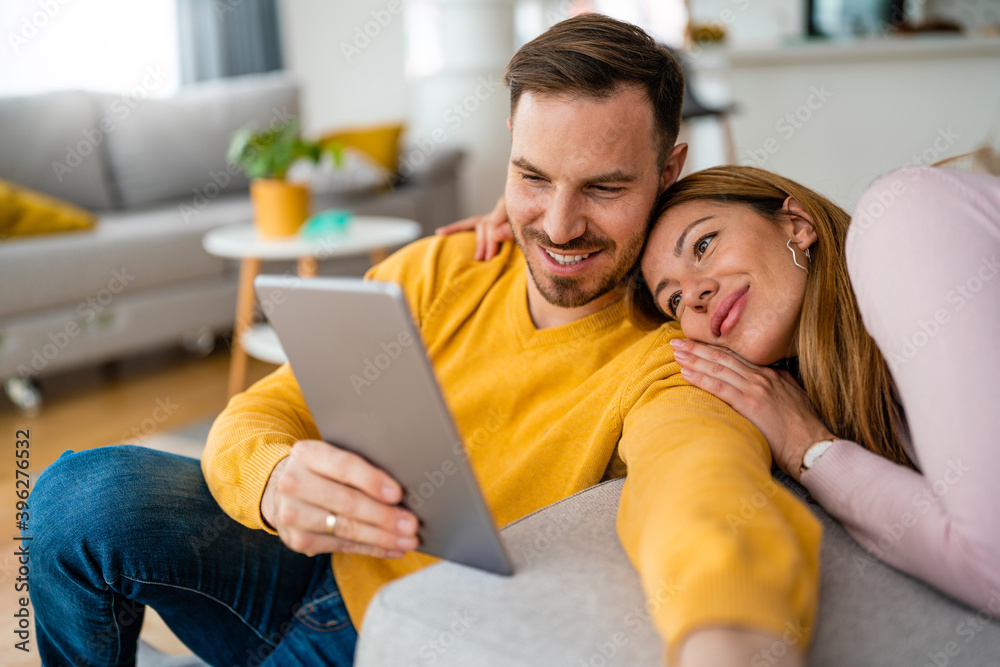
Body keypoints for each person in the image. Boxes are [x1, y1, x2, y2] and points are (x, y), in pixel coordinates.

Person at [29, 16, 821, 667]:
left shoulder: (670, 353)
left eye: (605, 187)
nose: (558, 224)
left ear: (669, 167)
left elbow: (703, 490)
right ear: (509, 147)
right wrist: (274, 481)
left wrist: (730, 634)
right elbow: (265, 408)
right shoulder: (448, 261)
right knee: (72, 496)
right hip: (297, 566)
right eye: (533, 177)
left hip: (406, 637)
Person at [448, 163, 1000, 611]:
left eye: (705, 244)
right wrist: (535, 232)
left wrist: (812, 450)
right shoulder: (849, 390)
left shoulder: (902, 221)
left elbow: (990, 565)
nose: (696, 294)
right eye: (672, 301)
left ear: (797, 224)